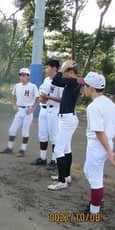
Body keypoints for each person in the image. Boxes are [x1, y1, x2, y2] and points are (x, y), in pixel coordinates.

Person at [82, 72, 115, 214]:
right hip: (106, 143)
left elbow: (99, 131)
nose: (83, 88)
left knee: (95, 178)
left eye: (85, 85)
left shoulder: (93, 107)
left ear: (91, 88)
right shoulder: (110, 103)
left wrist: (109, 152)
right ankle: (97, 200)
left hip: (98, 145)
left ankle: (94, 211)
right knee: (89, 171)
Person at [48, 60, 82, 190]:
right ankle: (66, 176)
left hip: (68, 119)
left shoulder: (73, 81)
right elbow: (58, 81)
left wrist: (63, 68)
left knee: (58, 149)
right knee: (66, 148)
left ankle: (62, 181)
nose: (64, 74)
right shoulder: (73, 82)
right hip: (67, 118)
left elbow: (56, 80)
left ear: (71, 72)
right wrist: (64, 69)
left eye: (66, 72)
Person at [0, 68, 39, 157]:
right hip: (19, 110)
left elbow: (37, 98)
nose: (22, 77)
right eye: (21, 75)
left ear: (28, 76)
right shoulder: (17, 86)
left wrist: (33, 108)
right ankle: (9, 148)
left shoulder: (32, 86)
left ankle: (22, 150)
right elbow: (13, 96)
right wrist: (13, 105)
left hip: (28, 110)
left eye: (24, 75)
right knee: (12, 130)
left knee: (25, 131)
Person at [31, 59, 63, 168]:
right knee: (42, 135)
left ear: (54, 68)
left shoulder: (61, 81)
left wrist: (48, 97)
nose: (46, 69)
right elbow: (42, 95)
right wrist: (42, 98)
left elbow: (63, 99)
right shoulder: (46, 80)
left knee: (54, 137)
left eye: (47, 67)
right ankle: (43, 158)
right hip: (43, 110)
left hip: (54, 110)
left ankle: (54, 161)